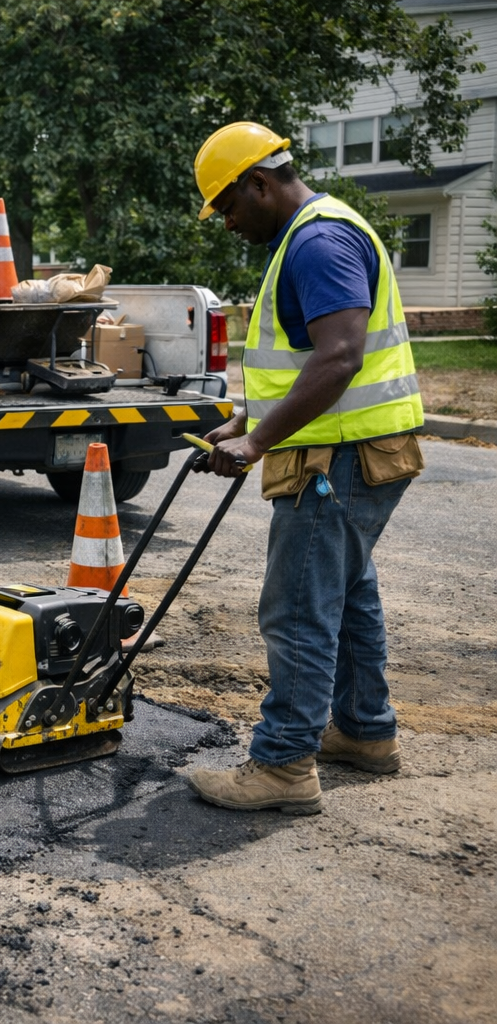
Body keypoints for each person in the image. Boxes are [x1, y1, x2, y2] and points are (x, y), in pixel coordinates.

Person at [186, 122, 424, 815]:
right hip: (353, 451)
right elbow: (304, 360)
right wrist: (244, 420)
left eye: (228, 206)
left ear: (259, 183)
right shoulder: (313, 234)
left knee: (296, 608)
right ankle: (363, 732)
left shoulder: (318, 241)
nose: (227, 222)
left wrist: (256, 446)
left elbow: (339, 356)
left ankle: (284, 766)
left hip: (340, 458)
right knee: (348, 598)